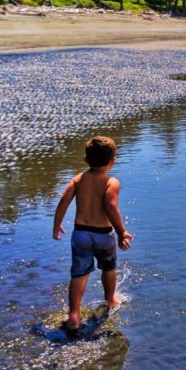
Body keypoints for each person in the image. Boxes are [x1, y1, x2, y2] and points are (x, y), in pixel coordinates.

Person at [53, 135, 134, 331]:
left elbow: (63, 201)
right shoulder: (111, 182)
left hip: (81, 234)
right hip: (104, 235)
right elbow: (111, 207)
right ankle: (110, 300)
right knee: (108, 269)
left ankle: (73, 315)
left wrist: (57, 225)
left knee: (79, 274)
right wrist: (122, 231)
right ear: (112, 162)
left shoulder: (78, 179)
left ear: (86, 160)